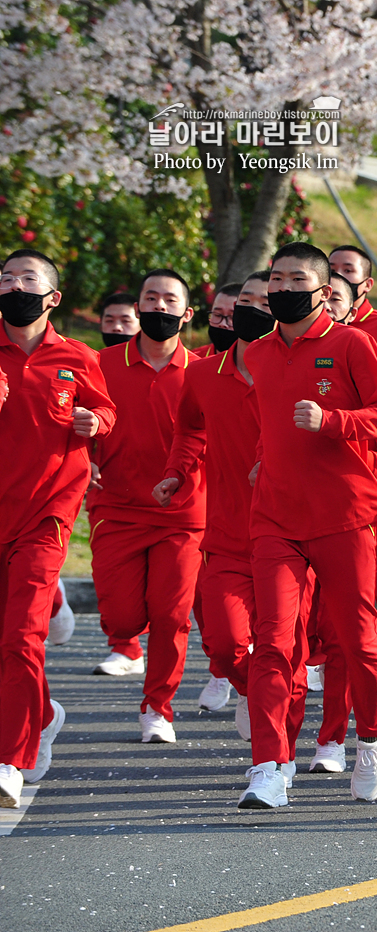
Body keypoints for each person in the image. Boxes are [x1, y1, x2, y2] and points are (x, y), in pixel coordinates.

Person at [238, 242, 377, 809]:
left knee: (357, 635)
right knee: (274, 641)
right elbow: (268, 422)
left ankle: (374, 737)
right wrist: (265, 454)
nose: (283, 289)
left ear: (324, 288)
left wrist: (332, 420)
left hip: (344, 512)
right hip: (276, 516)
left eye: (296, 279)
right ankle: (270, 765)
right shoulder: (257, 353)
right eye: (276, 279)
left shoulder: (351, 343)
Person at [0, 249, 115, 806]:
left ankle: (10, 760)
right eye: (5, 279)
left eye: (27, 280)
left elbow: (107, 413)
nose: (14, 287)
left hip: (47, 514)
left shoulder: (76, 356)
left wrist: (96, 421)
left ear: (52, 298)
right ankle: (42, 714)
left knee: (23, 635)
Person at [158, 272, 278, 735]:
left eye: (263, 304)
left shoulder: (299, 373)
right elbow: (189, 428)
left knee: (284, 643)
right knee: (224, 641)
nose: (250, 311)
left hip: (292, 527)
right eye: (242, 302)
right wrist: (175, 472)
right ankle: (256, 691)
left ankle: (280, 745)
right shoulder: (204, 373)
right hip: (228, 530)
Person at [89, 269, 205, 743]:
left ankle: (157, 707)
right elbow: (79, 418)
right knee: (121, 618)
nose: (159, 306)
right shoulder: (101, 363)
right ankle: (127, 645)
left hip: (183, 513)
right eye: (150, 298)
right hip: (116, 508)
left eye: (169, 299)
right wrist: (86, 460)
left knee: (172, 614)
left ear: (186, 312)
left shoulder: (201, 370)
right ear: (137, 308)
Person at [328, 245, 377, 359]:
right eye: (332, 270)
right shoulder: (311, 319)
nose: (338, 275)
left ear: (368, 284)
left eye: (348, 270)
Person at [199, 284, 241, 357]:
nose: (222, 324)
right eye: (217, 315)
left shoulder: (257, 365)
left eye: (232, 317)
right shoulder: (192, 361)